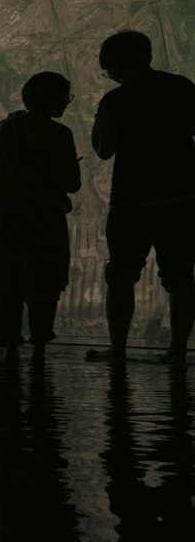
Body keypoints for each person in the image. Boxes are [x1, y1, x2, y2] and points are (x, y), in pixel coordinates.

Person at [90, 29, 195, 365]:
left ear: (116, 66)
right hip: (181, 196)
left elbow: (104, 148)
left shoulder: (114, 101)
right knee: (180, 277)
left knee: (121, 274)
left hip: (131, 201)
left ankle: (117, 349)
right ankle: (177, 350)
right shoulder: (181, 87)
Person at [0, 72, 82, 364]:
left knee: (6, 280)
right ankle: (39, 345)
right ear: (52, 99)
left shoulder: (3, 129)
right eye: (66, 97)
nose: (67, 103)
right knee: (44, 280)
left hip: (6, 218)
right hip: (44, 218)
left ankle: (9, 344)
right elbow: (72, 182)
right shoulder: (60, 134)